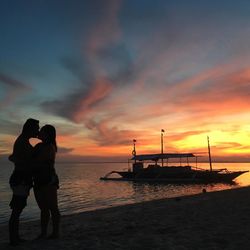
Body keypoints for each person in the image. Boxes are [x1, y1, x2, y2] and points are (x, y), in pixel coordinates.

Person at [8, 118, 40, 246]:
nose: (37, 130)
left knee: (18, 208)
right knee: (17, 210)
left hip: (22, 179)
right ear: (30, 128)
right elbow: (21, 160)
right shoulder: (22, 142)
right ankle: (13, 239)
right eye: (36, 128)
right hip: (20, 179)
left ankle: (15, 237)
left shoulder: (24, 141)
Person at [32, 124, 60, 239]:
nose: (39, 132)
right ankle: (44, 232)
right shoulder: (39, 146)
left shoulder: (50, 147)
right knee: (43, 208)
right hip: (38, 180)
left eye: (42, 131)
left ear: (48, 134)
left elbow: (38, 162)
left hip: (48, 180)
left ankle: (55, 232)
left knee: (53, 207)